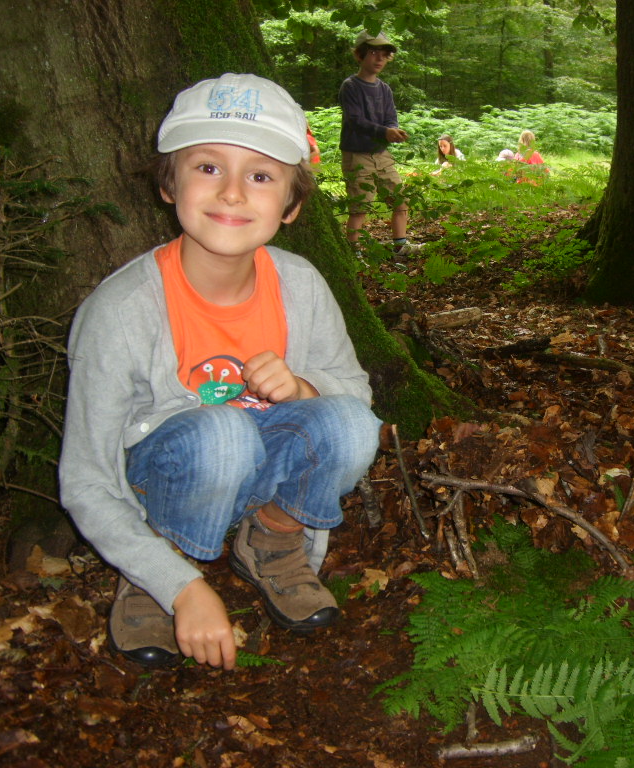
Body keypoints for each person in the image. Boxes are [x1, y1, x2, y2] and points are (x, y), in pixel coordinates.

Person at [58, 73, 382, 671]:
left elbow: (354, 395)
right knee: (220, 434)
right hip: (170, 479)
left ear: (291, 204)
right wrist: (183, 588)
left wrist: (305, 389)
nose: (232, 193)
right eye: (208, 167)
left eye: (260, 176)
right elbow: (86, 477)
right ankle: (160, 564)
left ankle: (273, 539)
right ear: (168, 183)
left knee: (351, 424)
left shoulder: (300, 285)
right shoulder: (121, 311)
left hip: (258, 467)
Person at [338, 31, 421, 256]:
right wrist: (384, 132)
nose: (379, 59)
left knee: (400, 200)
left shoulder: (384, 88)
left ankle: (400, 246)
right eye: (373, 53)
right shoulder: (350, 86)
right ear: (360, 55)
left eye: (384, 55)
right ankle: (354, 253)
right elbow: (355, 120)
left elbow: (390, 116)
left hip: (382, 154)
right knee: (359, 207)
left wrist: (393, 130)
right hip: (356, 154)